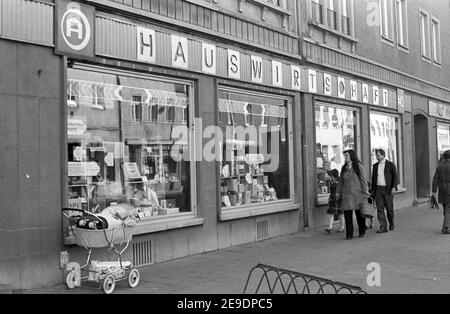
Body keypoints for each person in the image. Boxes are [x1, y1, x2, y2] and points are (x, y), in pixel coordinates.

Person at [337, 150, 369, 240]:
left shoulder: (359, 167)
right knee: (347, 215)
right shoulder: (344, 168)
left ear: (351, 156)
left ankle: (362, 231)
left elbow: (363, 180)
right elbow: (341, 181)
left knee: (359, 214)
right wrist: (338, 192)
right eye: (344, 156)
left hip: (358, 194)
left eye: (346, 155)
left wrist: (365, 192)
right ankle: (349, 234)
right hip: (346, 194)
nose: (345, 157)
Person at [371, 149, 399, 234]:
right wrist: (373, 191)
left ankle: (391, 223)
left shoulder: (390, 165)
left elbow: (395, 177)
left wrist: (394, 187)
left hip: (388, 190)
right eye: (376, 155)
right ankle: (383, 227)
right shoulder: (375, 166)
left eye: (378, 155)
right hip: (378, 190)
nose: (377, 157)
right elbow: (373, 179)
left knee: (389, 209)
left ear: (383, 155)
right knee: (380, 208)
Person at [432, 150, 450, 234]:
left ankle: (446, 225)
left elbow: (435, 180)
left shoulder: (439, 167)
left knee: (445, 208)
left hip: (442, 191)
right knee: (448, 209)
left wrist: (434, 192)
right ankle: (446, 227)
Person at [325, 169, 345, 234]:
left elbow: (342, 192)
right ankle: (330, 228)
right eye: (330, 176)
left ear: (335, 177)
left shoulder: (339, 183)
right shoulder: (331, 182)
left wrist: (340, 196)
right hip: (332, 200)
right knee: (331, 214)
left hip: (338, 200)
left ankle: (342, 227)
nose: (331, 178)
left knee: (340, 214)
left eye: (332, 176)